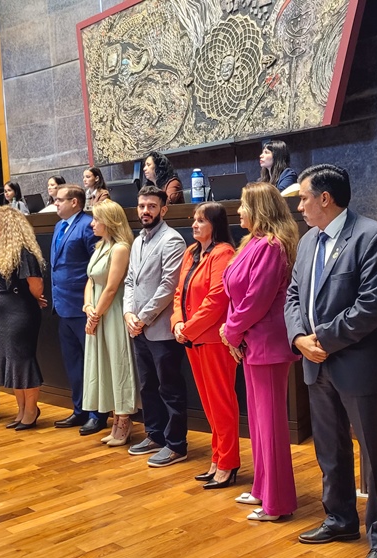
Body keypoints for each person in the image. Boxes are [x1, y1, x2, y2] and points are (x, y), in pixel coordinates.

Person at [283, 165, 377, 558]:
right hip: (316, 363)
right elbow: (293, 295)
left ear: (325, 198)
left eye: (303, 198)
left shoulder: (372, 236)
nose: (299, 206)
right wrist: (299, 338)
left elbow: (375, 303)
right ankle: (340, 519)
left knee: (375, 455)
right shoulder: (307, 241)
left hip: (359, 365)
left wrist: (322, 339)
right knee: (329, 449)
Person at [220, 182, 300, 523]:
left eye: (243, 204)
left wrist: (231, 330)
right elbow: (236, 294)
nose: (239, 211)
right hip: (251, 341)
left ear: (259, 209)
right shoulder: (252, 242)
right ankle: (263, 487)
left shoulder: (271, 246)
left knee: (271, 426)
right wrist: (232, 329)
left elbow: (257, 299)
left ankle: (277, 502)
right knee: (257, 422)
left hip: (267, 344)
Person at [170, 202, 239, 487]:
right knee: (209, 405)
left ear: (215, 224)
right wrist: (177, 322)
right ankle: (217, 457)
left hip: (212, 340)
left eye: (201, 220)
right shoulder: (191, 252)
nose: (194, 224)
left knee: (222, 404)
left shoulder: (224, 253)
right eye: (194, 219)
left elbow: (216, 300)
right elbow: (179, 292)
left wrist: (188, 329)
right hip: (191, 338)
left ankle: (228, 462)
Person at [123, 185, 187, 467]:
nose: (145, 211)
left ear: (163, 209)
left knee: (170, 388)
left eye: (151, 206)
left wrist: (143, 318)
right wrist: (128, 313)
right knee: (148, 385)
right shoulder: (137, 241)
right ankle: (155, 435)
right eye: (141, 206)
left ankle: (176, 445)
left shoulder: (172, 240)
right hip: (138, 328)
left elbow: (168, 287)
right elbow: (129, 281)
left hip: (161, 329)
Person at [82, 200, 138, 446]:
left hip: (112, 313)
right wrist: (88, 307)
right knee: (103, 365)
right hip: (97, 311)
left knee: (118, 363)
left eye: (97, 219)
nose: (92, 224)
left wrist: (95, 315)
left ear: (110, 221)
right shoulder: (100, 246)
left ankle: (124, 421)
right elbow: (91, 280)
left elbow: (112, 287)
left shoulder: (120, 248)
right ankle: (115, 418)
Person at [49, 184, 104, 435]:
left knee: (92, 363)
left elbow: (95, 267)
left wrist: (91, 302)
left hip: (83, 306)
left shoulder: (87, 226)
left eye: (60, 200)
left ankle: (97, 414)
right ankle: (80, 409)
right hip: (62, 306)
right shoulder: (59, 226)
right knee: (74, 363)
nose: (55, 203)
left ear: (74, 202)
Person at [0, 206, 47, 431]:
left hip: (20, 313)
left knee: (22, 361)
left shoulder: (24, 252)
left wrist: (35, 299)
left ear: (8, 225)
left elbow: (36, 285)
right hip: (3, 314)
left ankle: (31, 411)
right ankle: (21, 409)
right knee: (11, 361)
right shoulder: (0, 248)